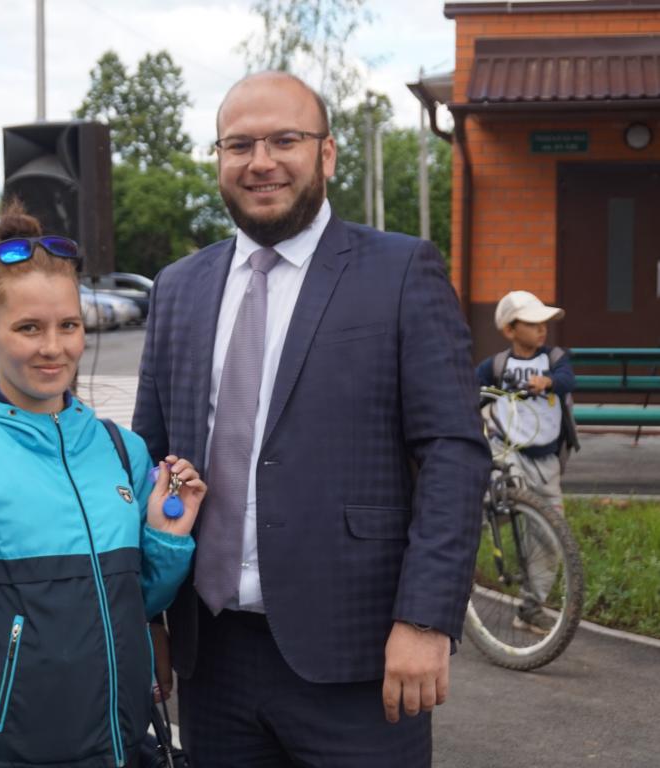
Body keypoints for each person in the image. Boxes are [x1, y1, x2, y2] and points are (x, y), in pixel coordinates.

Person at [132, 71, 490, 767]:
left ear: (326, 154)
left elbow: (453, 452)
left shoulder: (400, 272)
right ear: (219, 158)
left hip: (359, 658)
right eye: (239, 145)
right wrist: (144, 614)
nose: (260, 161)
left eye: (284, 140)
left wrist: (425, 618)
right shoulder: (178, 287)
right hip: (211, 660)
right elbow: (148, 459)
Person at [0, 201, 206, 768]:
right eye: (29, 328)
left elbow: (133, 604)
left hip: (123, 749)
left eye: (68, 326)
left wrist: (166, 540)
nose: (53, 347)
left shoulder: (121, 449)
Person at [475, 290, 577, 635]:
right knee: (506, 497)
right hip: (509, 452)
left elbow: (568, 379)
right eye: (533, 324)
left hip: (547, 461)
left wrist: (548, 381)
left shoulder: (554, 358)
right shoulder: (497, 366)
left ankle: (531, 607)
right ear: (510, 330)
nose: (541, 329)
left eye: (543, 323)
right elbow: (472, 388)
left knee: (548, 536)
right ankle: (490, 524)